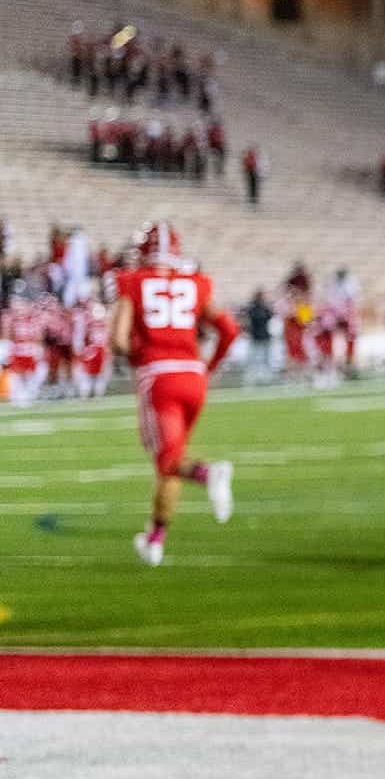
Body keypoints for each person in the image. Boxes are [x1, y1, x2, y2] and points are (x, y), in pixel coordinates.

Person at [111, 222, 238, 566]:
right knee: (172, 460)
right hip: (193, 377)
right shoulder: (195, 283)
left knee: (169, 461)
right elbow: (229, 329)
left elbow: (118, 340)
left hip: (160, 378)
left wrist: (138, 356)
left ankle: (209, 474)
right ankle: (154, 540)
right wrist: (209, 367)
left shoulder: (133, 281)